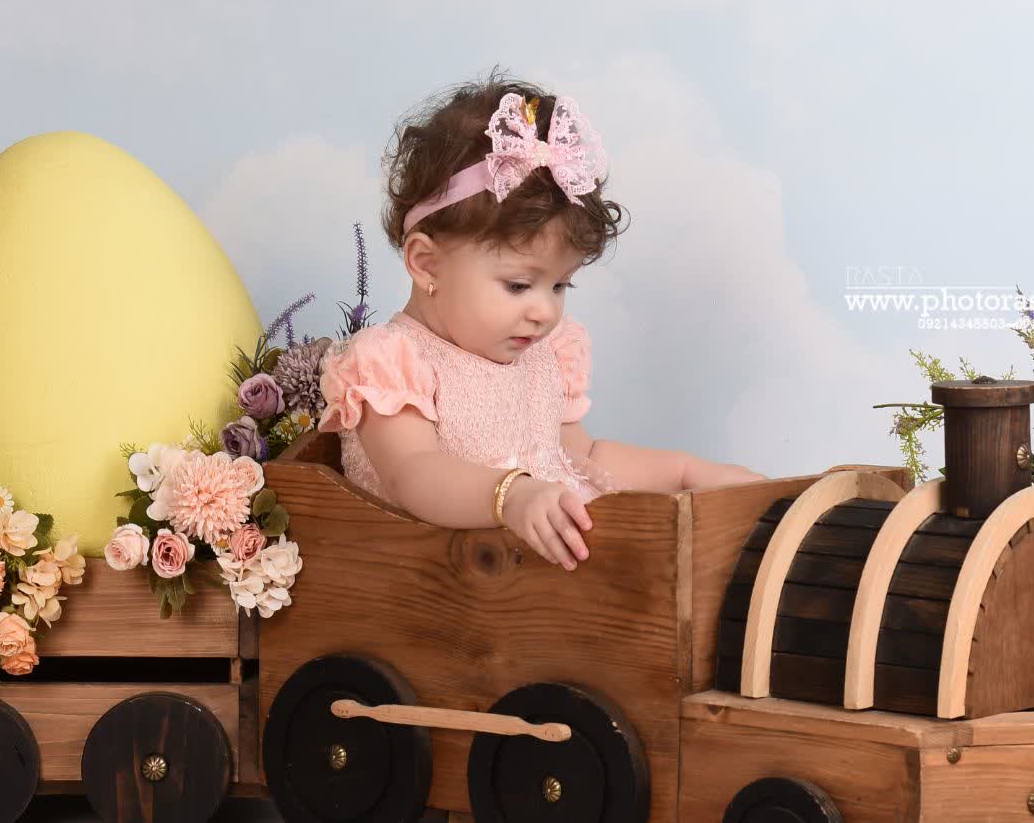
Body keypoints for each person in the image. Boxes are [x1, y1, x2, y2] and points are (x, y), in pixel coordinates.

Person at [318, 70, 766, 572]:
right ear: (426, 264)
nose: (545, 312)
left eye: (560, 286)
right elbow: (414, 473)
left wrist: (686, 473)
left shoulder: (545, 355)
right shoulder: (393, 363)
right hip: (444, 584)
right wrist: (510, 495)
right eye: (518, 285)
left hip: (534, 583)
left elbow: (582, 457)